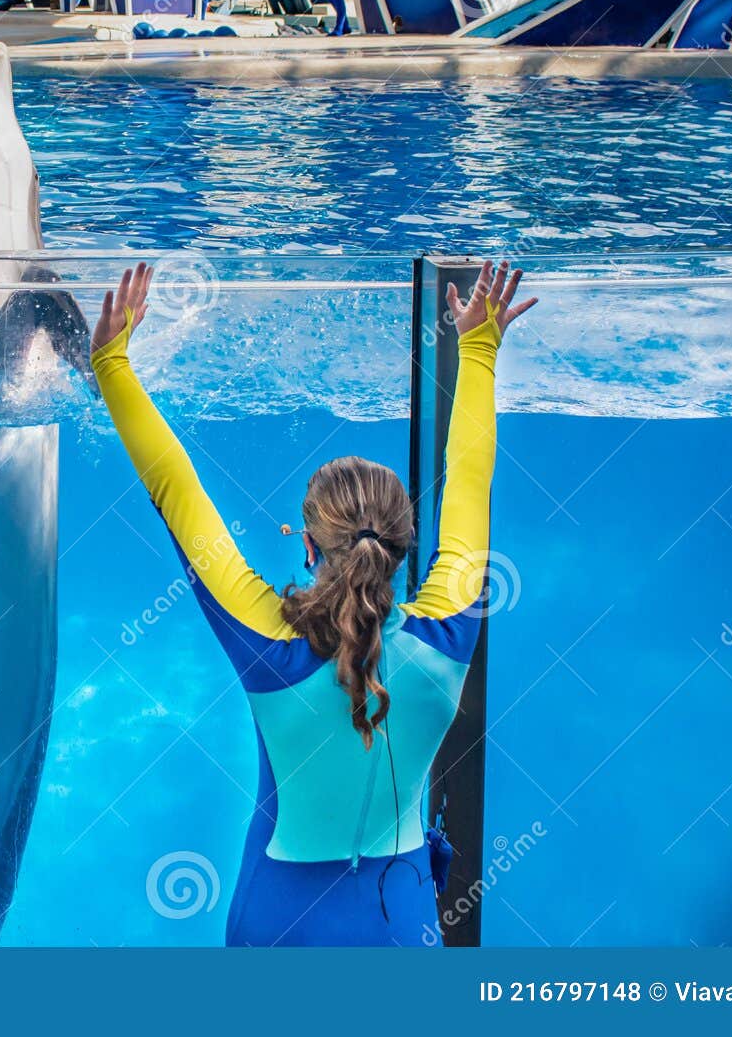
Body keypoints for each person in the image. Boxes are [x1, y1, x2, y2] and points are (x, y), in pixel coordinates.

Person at [90, 261, 535, 946]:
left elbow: (176, 489)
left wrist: (111, 362)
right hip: (402, 925)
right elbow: (472, 478)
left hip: (278, 927)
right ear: (405, 546)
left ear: (307, 546)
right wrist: (478, 349)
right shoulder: (446, 635)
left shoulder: (269, 644)